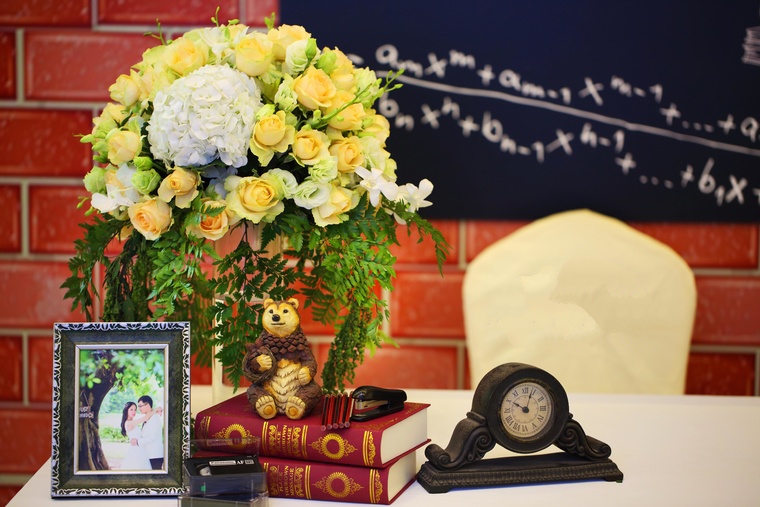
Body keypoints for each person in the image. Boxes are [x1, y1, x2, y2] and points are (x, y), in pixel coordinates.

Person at [119, 401, 152, 470]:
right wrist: (156, 409)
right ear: (126, 410)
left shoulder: (132, 422)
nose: (134, 412)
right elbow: (145, 418)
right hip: (136, 451)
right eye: (131, 409)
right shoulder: (129, 423)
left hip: (140, 449)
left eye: (135, 410)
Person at [136, 395, 164, 470]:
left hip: (155, 455)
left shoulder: (154, 418)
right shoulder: (148, 418)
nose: (139, 408)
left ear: (147, 405)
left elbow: (152, 437)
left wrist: (138, 442)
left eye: (140, 406)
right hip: (149, 454)